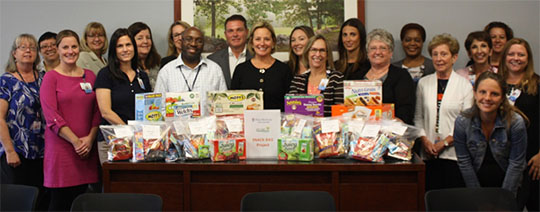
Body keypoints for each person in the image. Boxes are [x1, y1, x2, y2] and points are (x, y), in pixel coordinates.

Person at [40, 30, 101, 211]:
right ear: (57, 50)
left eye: (74, 46)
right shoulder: (51, 78)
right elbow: (52, 117)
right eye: (65, 47)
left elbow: (97, 112)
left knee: (83, 203)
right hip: (62, 151)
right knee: (60, 204)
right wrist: (76, 142)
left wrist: (89, 139)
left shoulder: (89, 76)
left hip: (87, 150)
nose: (70, 51)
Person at [414, 33, 474, 191]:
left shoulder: (465, 86)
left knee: (451, 202)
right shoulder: (423, 83)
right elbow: (418, 118)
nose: (439, 59)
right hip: (427, 154)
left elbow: (467, 123)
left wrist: (445, 143)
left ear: (454, 58)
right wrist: (425, 141)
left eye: (444, 54)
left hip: (453, 156)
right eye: (435, 54)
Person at [454, 71, 527, 196]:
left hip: (510, 186)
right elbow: (464, 161)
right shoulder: (462, 121)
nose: (487, 98)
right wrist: (478, 197)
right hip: (476, 186)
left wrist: (504, 200)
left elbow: (516, 164)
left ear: (503, 97)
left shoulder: (515, 122)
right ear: (475, 93)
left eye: (494, 94)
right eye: (482, 92)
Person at [0, 34, 48, 210]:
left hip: (42, 151)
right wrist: (10, 151)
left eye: (32, 47)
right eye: (23, 47)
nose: (28, 50)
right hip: (16, 152)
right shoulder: (6, 81)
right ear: (14, 53)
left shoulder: (45, 78)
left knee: (41, 200)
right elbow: (0, 118)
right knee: (17, 202)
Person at [95, 28, 151, 164]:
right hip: (113, 140)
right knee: (115, 184)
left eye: (128, 45)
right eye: (120, 46)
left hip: (139, 142)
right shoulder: (105, 74)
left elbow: (148, 109)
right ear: (114, 50)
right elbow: (106, 112)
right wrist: (130, 132)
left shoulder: (142, 76)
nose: (125, 49)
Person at [498, 38, 539, 210]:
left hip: (532, 160)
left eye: (521, 54)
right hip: (501, 157)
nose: (516, 58)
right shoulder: (495, 83)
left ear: (528, 58)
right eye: (511, 54)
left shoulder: (537, 84)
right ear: (504, 57)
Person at [155, 27, 227, 115]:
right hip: (176, 128)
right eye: (188, 39)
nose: (193, 44)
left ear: (203, 44)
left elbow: (223, 105)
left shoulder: (215, 70)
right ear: (181, 42)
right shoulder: (166, 72)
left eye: (199, 41)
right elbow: (158, 108)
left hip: (207, 128)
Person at [352, 28, 415, 124]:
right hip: (359, 133)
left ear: (391, 53)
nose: (377, 52)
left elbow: (406, 111)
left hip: (390, 133)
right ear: (368, 53)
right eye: (373, 48)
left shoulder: (402, 76)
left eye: (383, 48)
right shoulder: (357, 76)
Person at [231, 21, 293, 111]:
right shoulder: (241, 70)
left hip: (277, 124)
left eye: (267, 39)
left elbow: (290, 105)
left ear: (273, 42)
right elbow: (233, 104)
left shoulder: (284, 70)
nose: (262, 43)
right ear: (251, 42)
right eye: (258, 39)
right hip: (247, 124)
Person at [288, 35, 343, 117]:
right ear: (307, 53)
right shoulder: (298, 80)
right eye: (313, 50)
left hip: (328, 129)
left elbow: (339, 112)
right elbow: (292, 111)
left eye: (322, 50)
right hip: (303, 129)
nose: (318, 54)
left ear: (327, 55)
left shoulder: (336, 78)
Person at [208, 14, 253, 89]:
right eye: (230, 31)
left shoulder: (257, 57)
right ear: (225, 34)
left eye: (239, 30)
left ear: (247, 32)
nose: (235, 34)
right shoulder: (213, 60)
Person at [128, 22, 161, 89]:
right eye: (140, 38)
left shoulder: (159, 64)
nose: (145, 41)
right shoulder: (127, 67)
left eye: (148, 37)